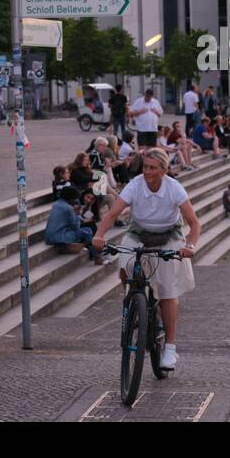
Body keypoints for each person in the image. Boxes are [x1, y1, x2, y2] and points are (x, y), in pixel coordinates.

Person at [92, 149, 201, 372]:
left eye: (152, 168)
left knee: (168, 290)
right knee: (125, 265)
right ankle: (134, 298)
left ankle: (170, 348)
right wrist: (99, 235)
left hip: (168, 234)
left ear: (164, 170)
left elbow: (194, 222)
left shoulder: (174, 188)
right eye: (145, 167)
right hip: (138, 232)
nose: (147, 172)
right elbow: (113, 214)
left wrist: (189, 246)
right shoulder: (135, 184)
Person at [45, 186, 103, 262]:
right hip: (58, 237)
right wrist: (77, 214)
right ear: (70, 198)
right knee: (87, 230)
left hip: (49, 237)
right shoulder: (68, 208)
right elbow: (76, 226)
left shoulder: (56, 204)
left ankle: (89, 250)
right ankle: (96, 256)